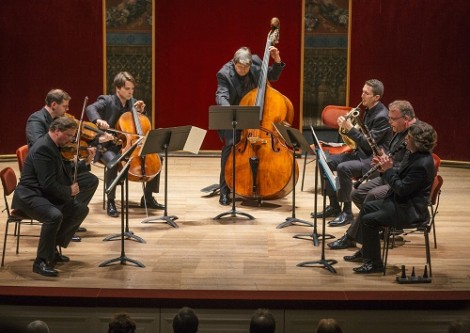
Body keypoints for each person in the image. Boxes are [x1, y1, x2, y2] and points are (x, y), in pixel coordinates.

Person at [328, 100, 417, 250]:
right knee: (357, 194)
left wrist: (388, 167)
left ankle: (353, 238)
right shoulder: (400, 131)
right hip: (390, 176)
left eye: (393, 119)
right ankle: (379, 225)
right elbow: (395, 155)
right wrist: (385, 157)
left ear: (406, 119)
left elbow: (410, 167)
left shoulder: (416, 135)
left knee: (371, 197)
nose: (390, 123)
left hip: (401, 183)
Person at [351, 120, 437, 273]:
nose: (405, 139)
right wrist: (385, 167)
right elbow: (400, 176)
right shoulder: (415, 155)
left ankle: (374, 264)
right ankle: (368, 252)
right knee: (367, 206)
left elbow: (401, 189)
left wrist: (388, 170)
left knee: (368, 220)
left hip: (410, 211)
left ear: (418, 142)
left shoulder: (422, 164)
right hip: (402, 203)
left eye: (409, 137)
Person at [12, 117, 90, 277]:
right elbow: (47, 184)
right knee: (54, 216)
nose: (71, 140)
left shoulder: (54, 145)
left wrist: (85, 162)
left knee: (80, 209)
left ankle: (52, 248)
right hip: (30, 195)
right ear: (57, 131)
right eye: (68, 135)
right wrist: (69, 191)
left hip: (42, 193)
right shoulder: (44, 148)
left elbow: (65, 167)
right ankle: (40, 262)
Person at [312, 79, 392, 227]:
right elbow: (361, 138)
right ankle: (334, 206)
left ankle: (347, 213)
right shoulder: (368, 109)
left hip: (374, 160)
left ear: (377, 97)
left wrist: (350, 128)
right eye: (362, 91)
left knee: (344, 168)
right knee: (325, 161)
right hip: (361, 153)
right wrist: (347, 126)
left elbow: (369, 144)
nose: (362, 95)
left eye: (366, 93)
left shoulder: (382, 116)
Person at [86, 71, 164, 217]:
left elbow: (139, 126)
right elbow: (91, 108)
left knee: (158, 157)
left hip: (128, 144)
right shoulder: (107, 100)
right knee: (113, 162)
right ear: (118, 88)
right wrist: (97, 121)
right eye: (127, 89)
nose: (130, 92)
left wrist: (141, 111)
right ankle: (110, 200)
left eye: (132, 89)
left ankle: (147, 197)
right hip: (107, 145)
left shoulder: (132, 104)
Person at [215, 46, 286, 205]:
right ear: (234, 63)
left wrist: (277, 60)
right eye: (240, 67)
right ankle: (224, 190)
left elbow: (273, 76)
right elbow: (221, 96)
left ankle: (259, 183)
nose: (243, 70)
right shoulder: (224, 73)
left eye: (246, 67)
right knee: (230, 146)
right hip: (234, 116)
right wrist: (232, 112)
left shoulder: (255, 64)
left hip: (255, 116)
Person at [26, 89, 98, 240]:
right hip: (43, 170)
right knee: (69, 184)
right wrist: (67, 144)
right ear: (53, 104)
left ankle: (70, 219)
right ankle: (65, 222)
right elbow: (39, 144)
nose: (67, 109)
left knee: (90, 180)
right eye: (65, 106)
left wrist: (84, 153)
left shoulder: (61, 118)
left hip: (60, 165)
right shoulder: (36, 120)